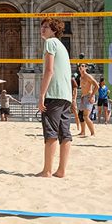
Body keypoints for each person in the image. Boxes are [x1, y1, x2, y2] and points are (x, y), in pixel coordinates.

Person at [37, 18, 73, 178]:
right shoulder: (63, 47)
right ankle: (61, 170)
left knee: (50, 132)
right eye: (42, 26)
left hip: (54, 93)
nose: (42, 29)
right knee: (65, 133)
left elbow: (49, 70)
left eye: (46, 27)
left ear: (54, 31)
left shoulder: (50, 43)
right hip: (66, 95)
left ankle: (47, 171)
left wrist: (42, 94)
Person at [75, 64, 97, 137]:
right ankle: (83, 132)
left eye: (83, 66)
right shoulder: (81, 77)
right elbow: (84, 88)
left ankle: (93, 133)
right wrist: (82, 96)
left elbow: (97, 86)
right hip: (84, 97)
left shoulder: (88, 76)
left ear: (86, 68)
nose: (80, 67)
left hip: (89, 97)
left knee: (86, 116)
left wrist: (91, 96)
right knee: (80, 115)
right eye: (80, 66)